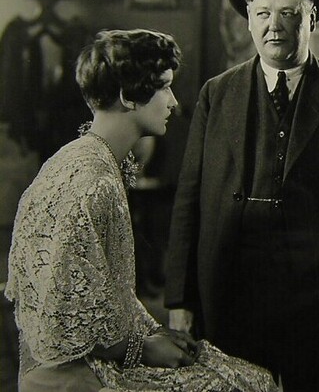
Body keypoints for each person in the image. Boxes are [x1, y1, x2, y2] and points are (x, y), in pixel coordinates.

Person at [5, 29, 277, 392]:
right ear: (127, 96)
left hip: (93, 353)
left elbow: (106, 294)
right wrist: (141, 348)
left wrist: (152, 333)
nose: (173, 102)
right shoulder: (91, 180)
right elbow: (63, 317)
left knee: (242, 374)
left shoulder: (86, 158)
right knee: (248, 384)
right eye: (164, 87)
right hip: (73, 371)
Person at [164, 0, 319, 392]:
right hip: (230, 292)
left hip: (317, 299)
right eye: (262, 13)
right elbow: (189, 199)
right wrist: (180, 300)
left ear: (312, 18)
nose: (273, 26)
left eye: (288, 14)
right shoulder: (216, 94)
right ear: (248, 19)